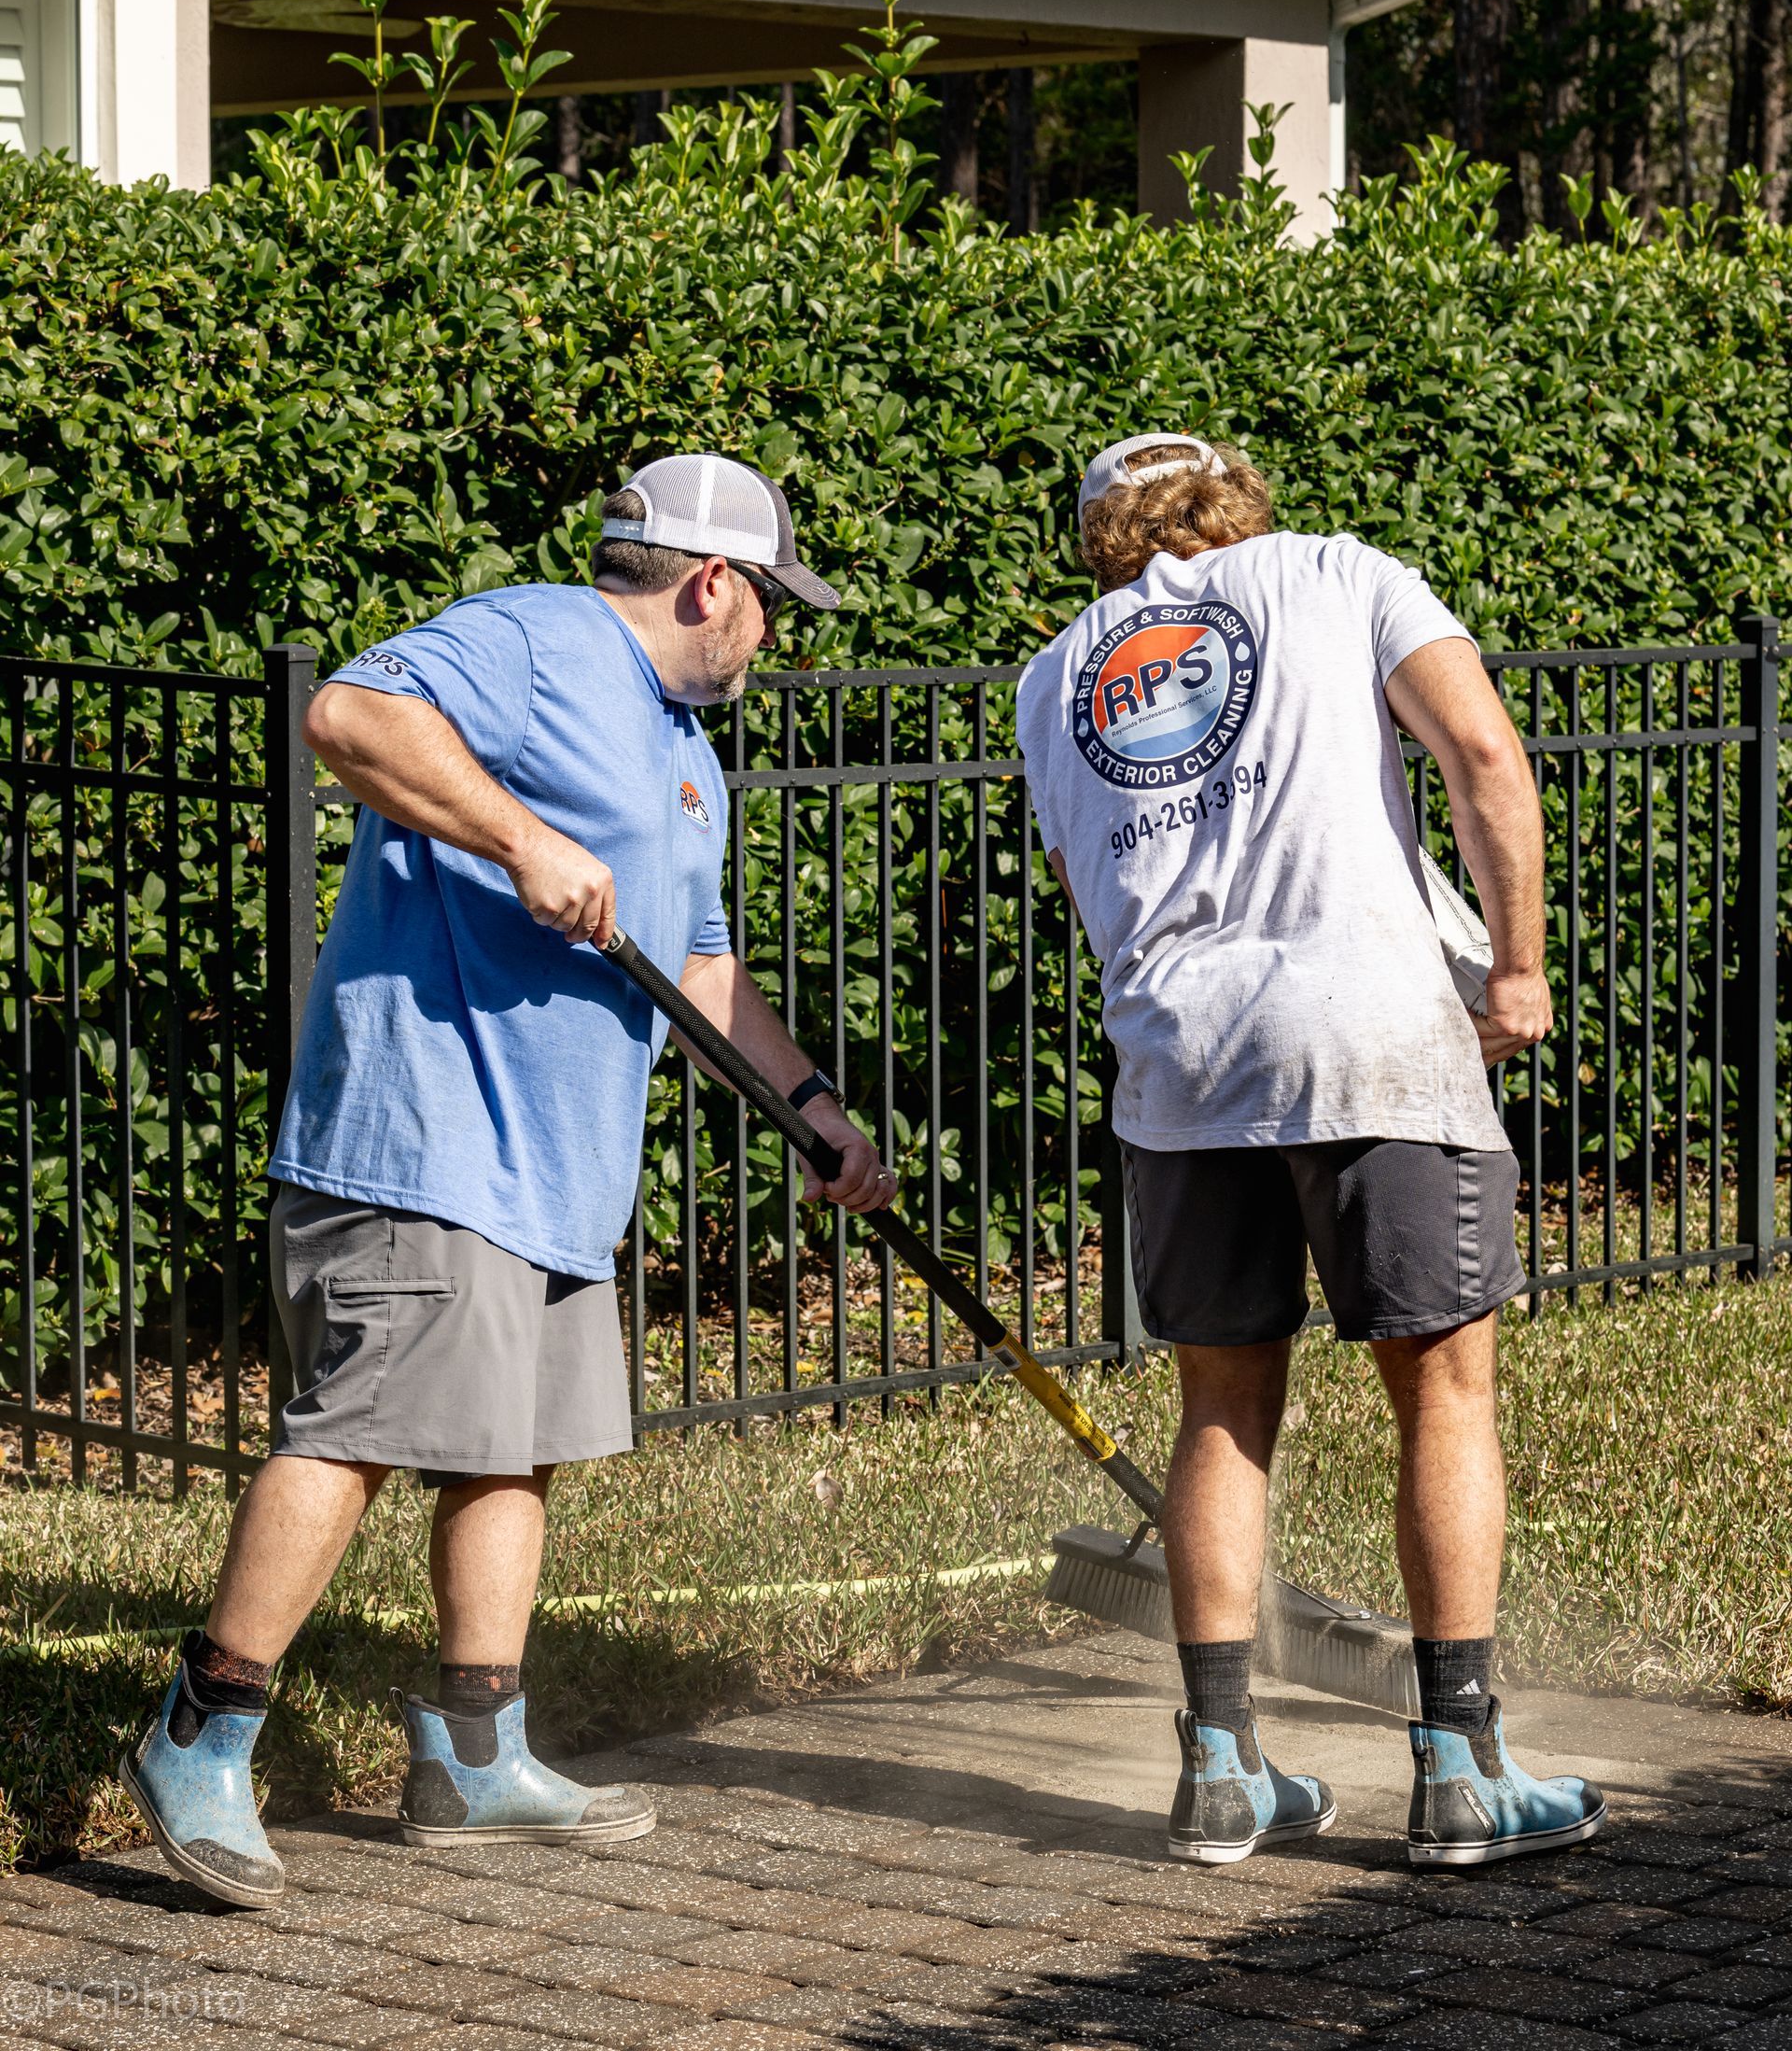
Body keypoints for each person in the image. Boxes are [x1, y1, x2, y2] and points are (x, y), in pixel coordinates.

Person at [119, 454, 898, 1907]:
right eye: (770, 605)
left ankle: (475, 1756)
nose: (773, 636)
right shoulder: (540, 636)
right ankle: (198, 1734)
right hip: (429, 1141)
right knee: (354, 1434)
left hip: (559, 1171)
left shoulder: (684, 753)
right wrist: (522, 837)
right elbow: (348, 717)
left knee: (514, 1449)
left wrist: (811, 1112)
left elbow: (702, 970)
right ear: (711, 583)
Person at [1015, 432, 1605, 1871]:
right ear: (1235, 501)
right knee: (1443, 1395)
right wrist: (1516, 968)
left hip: (1179, 1060)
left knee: (1221, 1408)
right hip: (1366, 1034)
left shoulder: (1055, 676)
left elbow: (1086, 879)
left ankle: (1220, 1771)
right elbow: (1481, 754)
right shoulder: (1339, 576)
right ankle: (1461, 1769)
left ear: (1101, 537)